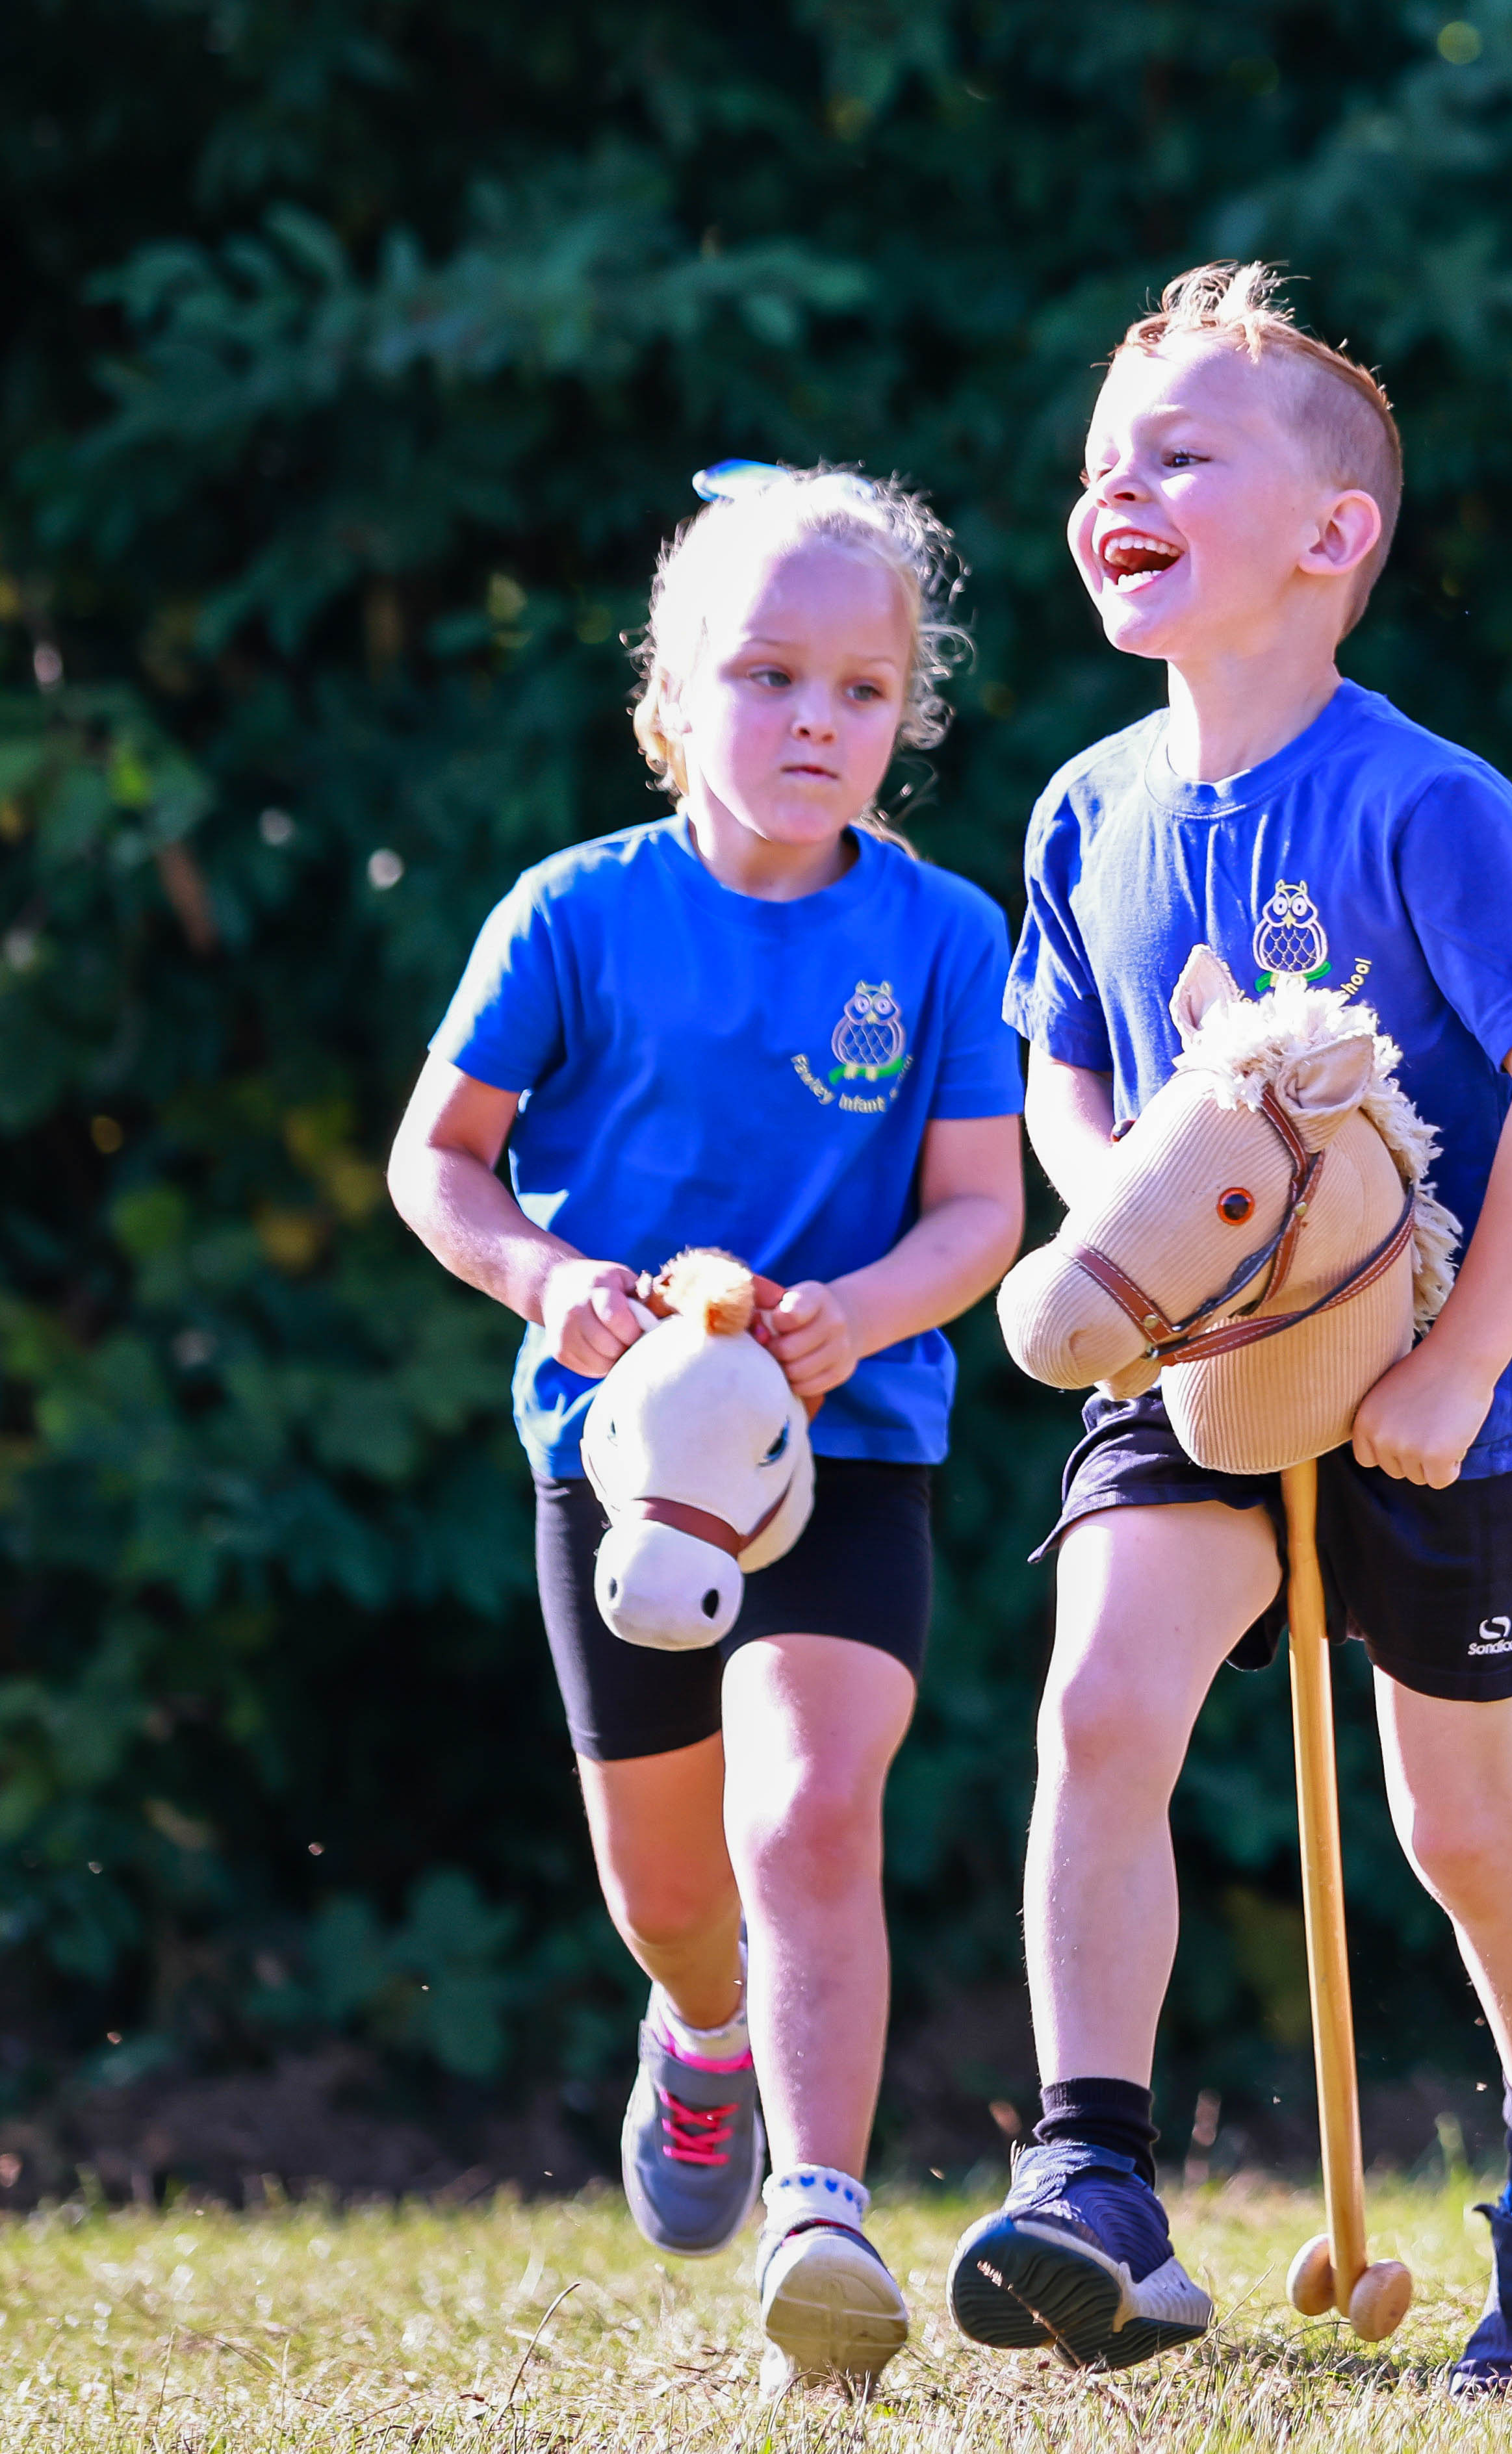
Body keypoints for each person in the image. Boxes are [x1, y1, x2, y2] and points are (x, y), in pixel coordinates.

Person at [951, 262, 1512, 2384]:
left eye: (1180, 456)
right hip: (1198, 1369)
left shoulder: (1430, 802)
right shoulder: (1084, 808)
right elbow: (1061, 1072)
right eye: (1101, 466)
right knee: (1101, 1708)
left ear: (1333, 536)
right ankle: (1099, 2179)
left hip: (1445, 1380)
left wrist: (1453, 1356)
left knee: (1460, 1826)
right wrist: (1124, 1215)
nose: (1118, 489)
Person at [385, 467, 1026, 2390]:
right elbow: (441, 1162)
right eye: (768, 677)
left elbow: (983, 1215)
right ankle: (702, 2036)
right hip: (621, 1458)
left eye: (858, 686)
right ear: (671, 696)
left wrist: (871, 1311)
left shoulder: (939, 935)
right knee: (670, 1889)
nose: (816, 720)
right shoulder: (572, 914)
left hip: (856, 1444)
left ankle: (819, 2206)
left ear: (907, 715)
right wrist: (543, 1281)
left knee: (813, 1801)